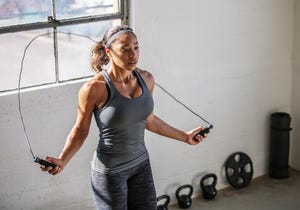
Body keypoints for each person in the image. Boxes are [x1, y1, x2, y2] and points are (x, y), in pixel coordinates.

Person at [42, 25, 208, 210]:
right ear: (108, 52)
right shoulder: (93, 88)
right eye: (125, 49)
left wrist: (185, 136)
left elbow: (149, 120)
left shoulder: (147, 79)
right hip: (110, 172)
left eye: (136, 47)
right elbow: (80, 130)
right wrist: (63, 159)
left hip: (141, 165)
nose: (133, 55)